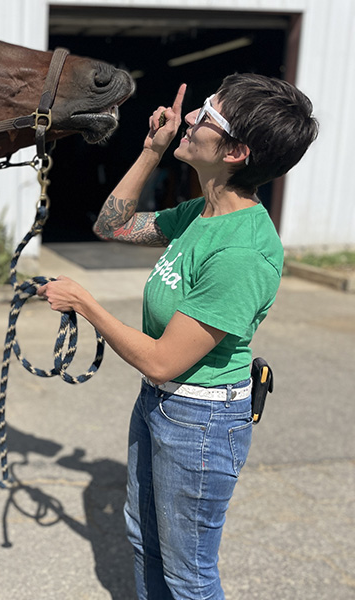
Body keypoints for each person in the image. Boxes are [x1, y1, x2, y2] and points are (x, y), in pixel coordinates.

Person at [37, 74, 318, 599]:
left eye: (206, 115)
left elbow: (163, 361)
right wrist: (150, 150)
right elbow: (112, 225)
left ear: (235, 151)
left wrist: (85, 304)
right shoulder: (199, 215)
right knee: (144, 541)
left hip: (201, 421)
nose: (188, 117)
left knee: (189, 576)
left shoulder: (243, 252)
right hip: (161, 406)